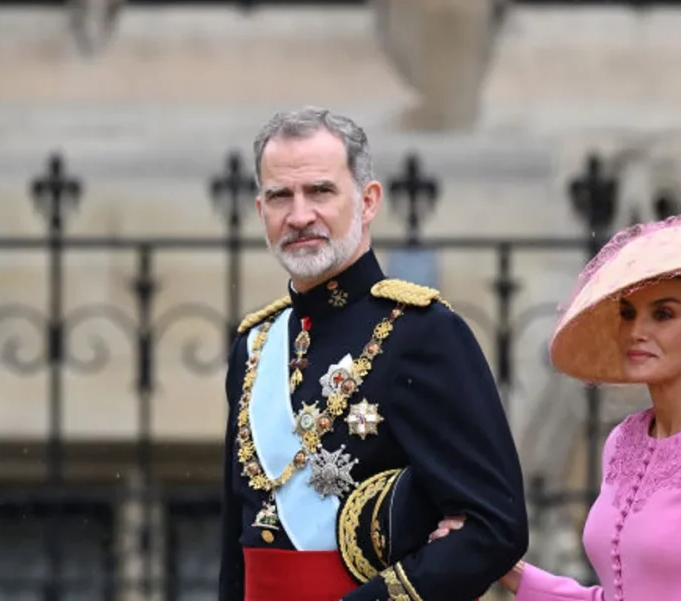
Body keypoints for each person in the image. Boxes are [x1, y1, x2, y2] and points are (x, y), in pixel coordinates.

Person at [218, 106, 529, 601]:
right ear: (261, 211)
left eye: (320, 191)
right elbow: (237, 542)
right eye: (280, 196)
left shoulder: (423, 334)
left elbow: (495, 527)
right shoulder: (254, 346)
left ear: (368, 202)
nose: (299, 216)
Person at [430, 215, 681, 600]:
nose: (636, 331)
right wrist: (506, 569)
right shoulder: (622, 441)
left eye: (663, 314)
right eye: (628, 314)